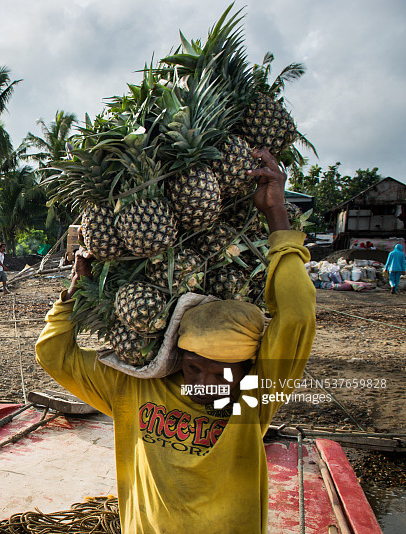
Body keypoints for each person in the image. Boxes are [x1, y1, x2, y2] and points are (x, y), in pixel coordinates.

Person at [35, 149, 316, 534]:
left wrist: (275, 215)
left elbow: (297, 316)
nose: (203, 382)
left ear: (249, 369)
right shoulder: (135, 391)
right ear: (176, 353)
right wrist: (77, 288)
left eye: (221, 374)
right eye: (194, 366)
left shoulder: (254, 401)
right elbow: (53, 354)